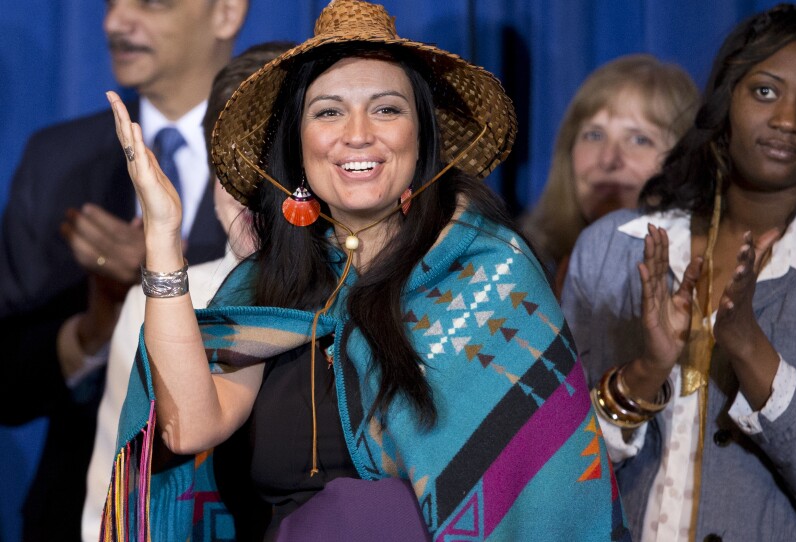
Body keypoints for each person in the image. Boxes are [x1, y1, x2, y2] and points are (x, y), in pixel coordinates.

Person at [103, 1, 629, 540]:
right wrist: (164, 237)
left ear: (421, 136)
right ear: (299, 145)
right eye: (328, 111)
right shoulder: (265, 284)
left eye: (386, 109)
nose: (357, 134)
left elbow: (551, 499)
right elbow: (188, 426)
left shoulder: (491, 274)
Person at [562, 4, 796, 541]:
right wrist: (644, 373)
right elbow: (559, 473)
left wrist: (749, 345)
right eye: (764, 91)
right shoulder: (612, 248)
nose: (787, 119)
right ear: (725, 101)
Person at [0, 1, 248, 539]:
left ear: (227, 13)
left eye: (152, 2)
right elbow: (9, 381)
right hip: (77, 510)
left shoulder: (286, 149)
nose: (115, 22)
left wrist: (160, 275)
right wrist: (94, 326)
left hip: (240, 507)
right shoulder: (55, 159)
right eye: (112, 4)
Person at [80, 40, 294, 542]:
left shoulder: (353, 293)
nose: (250, 191)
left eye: (275, 164)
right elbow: (111, 501)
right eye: (232, 164)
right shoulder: (159, 301)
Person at [522, 54, 698, 296]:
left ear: (683, 160)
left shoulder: (703, 277)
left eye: (639, 140)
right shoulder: (521, 262)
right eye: (594, 135)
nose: (608, 160)